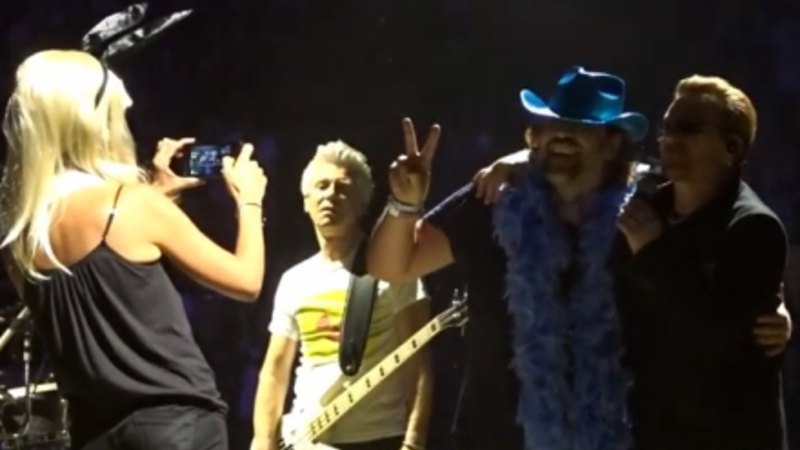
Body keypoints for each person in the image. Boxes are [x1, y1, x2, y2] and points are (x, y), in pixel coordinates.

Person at [473, 75, 792, 450]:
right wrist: (514, 160)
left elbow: (721, 339)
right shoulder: (648, 202)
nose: (670, 140)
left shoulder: (753, 227)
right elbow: (587, 161)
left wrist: (653, 255)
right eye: (667, 128)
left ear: (731, 147)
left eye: (688, 128)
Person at [367, 66, 648, 450]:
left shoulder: (641, 217)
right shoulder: (493, 199)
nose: (562, 134)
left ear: (612, 145)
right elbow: (391, 267)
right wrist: (404, 202)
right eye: (552, 124)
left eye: (580, 126)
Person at [0, 50, 268, 450]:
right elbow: (246, 281)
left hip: (94, 434)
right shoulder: (133, 205)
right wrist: (250, 200)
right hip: (174, 424)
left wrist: (156, 194)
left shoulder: (21, 238)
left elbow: (103, 280)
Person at [253, 141, 432, 450]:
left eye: (343, 188)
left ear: (361, 203)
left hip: (377, 438)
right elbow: (274, 373)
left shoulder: (390, 268)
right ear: (306, 201)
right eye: (321, 186)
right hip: (306, 439)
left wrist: (414, 442)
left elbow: (419, 362)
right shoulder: (294, 280)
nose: (330, 195)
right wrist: (263, 442)